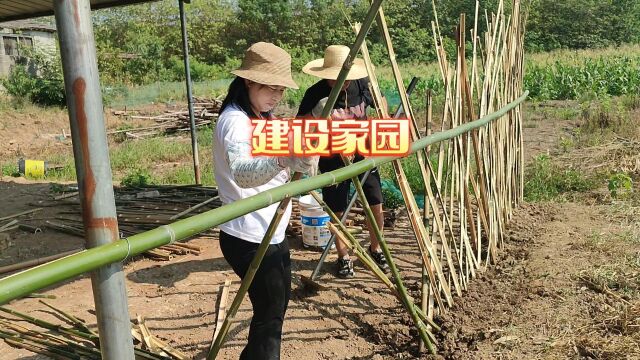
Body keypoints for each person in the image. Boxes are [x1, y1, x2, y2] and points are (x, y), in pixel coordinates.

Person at [213, 42, 317, 360]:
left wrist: (302, 160)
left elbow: (279, 163)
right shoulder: (235, 122)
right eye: (269, 88)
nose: (276, 96)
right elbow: (243, 173)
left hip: (271, 228)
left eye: (281, 90)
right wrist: (286, 158)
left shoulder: (263, 117)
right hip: (247, 235)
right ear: (248, 82)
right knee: (270, 316)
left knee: (276, 307)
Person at [297, 45, 389, 278]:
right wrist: (315, 115)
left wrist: (383, 113)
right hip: (332, 157)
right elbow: (299, 127)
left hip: (362, 152)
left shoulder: (361, 84)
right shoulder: (315, 94)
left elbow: (381, 103)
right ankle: (343, 256)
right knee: (338, 211)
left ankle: (375, 248)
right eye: (337, 78)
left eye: (347, 77)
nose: (343, 82)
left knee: (376, 203)